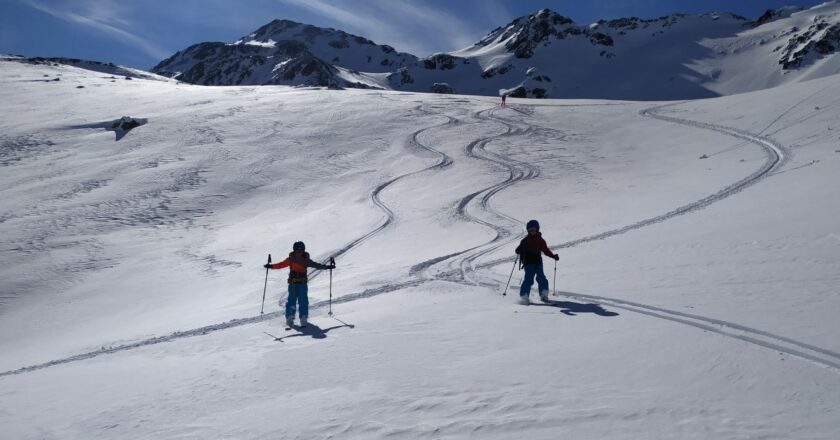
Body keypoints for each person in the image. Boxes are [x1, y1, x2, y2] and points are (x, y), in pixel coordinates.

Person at [264, 241, 335, 327]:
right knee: (291, 301)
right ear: (294, 250)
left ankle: (303, 317)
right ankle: (290, 317)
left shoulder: (306, 260)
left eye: (300, 251)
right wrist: (271, 266)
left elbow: (317, 265)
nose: (299, 253)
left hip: (302, 284)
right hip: (293, 284)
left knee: (303, 301)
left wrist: (327, 267)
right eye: (297, 251)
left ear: (303, 250)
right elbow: (281, 265)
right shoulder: (290, 259)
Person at [514, 219, 559, 305]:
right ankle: (524, 297)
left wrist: (553, 256)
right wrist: (519, 250)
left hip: (538, 262)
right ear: (528, 230)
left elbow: (545, 250)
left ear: (537, 229)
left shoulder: (540, 240)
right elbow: (517, 250)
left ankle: (544, 295)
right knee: (529, 279)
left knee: (541, 278)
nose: (532, 231)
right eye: (530, 230)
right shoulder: (525, 241)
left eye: (533, 229)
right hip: (528, 262)